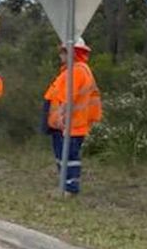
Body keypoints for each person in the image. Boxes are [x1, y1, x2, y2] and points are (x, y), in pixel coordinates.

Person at [43, 37, 103, 196]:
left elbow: (69, 97)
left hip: (70, 124)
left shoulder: (77, 71)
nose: (60, 55)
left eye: (63, 51)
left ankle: (69, 189)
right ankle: (65, 186)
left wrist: (61, 116)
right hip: (67, 123)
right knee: (64, 156)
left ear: (72, 52)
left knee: (68, 156)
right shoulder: (74, 70)